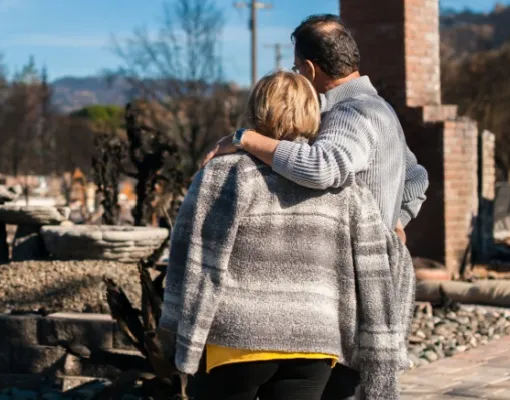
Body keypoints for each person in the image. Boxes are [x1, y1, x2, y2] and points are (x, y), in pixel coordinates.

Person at [202, 15, 427, 398]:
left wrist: (245, 139)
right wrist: (397, 221)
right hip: (370, 276)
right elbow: (417, 178)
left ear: (308, 68)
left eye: (295, 67)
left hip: (352, 281)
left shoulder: (349, 115)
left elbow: (323, 168)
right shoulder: (380, 109)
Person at [160, 70, 414, 400]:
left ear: (255, 110)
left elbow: (190, 255)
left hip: (237, 337)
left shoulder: (224, 172)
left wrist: (179, 330)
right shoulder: (346, 190)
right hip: (315, 340)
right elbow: (372, 268)